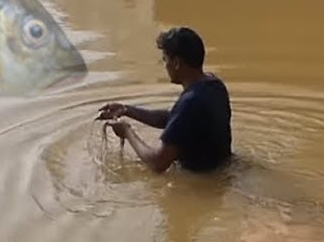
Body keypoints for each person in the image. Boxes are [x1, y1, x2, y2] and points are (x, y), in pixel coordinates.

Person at [98, 26, 232, 173]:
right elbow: (176, 119)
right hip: (224, 169)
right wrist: (126, 110)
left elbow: (157, 163)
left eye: (165, 60)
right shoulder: (215, 85)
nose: (165, 66)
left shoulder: (190, 102)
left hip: (203, 182)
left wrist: (127, 132)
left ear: (176, 63)